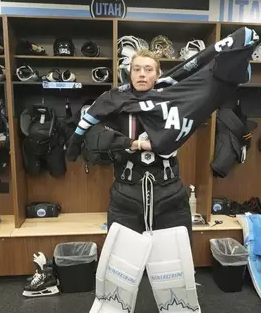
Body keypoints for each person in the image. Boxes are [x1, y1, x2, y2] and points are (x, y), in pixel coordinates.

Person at [70, 49, 192, 237]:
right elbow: (94, 137)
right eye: (136, 69)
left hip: (170, 195)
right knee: (125, 263)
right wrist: (136, 144)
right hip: (126, 195)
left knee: (170, 262)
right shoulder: (113, 102)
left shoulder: (174, 101)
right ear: (130, 73)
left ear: (158, 74)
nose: (142, 74)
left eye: (148, 69)